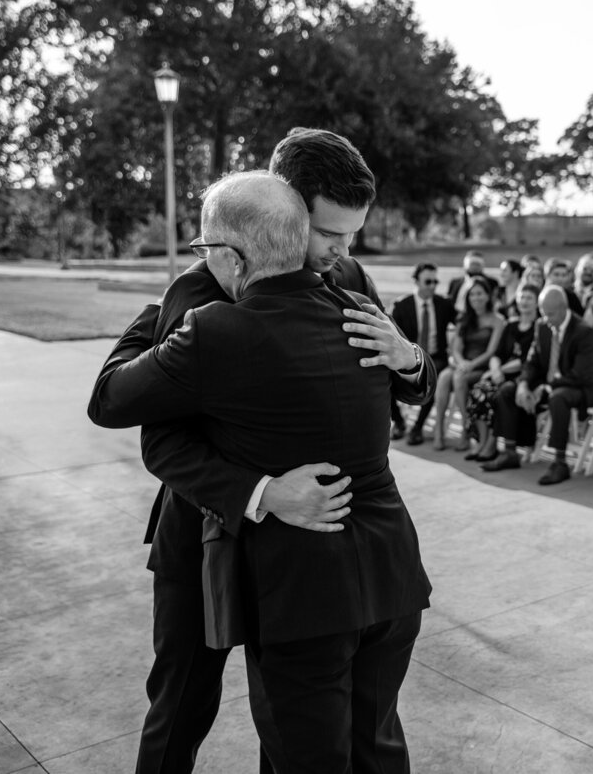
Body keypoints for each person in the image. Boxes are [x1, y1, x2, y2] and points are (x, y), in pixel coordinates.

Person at [89, 171, 434, 774]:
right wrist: (261, 493)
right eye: (329, 233)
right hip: (203, 535)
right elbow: (162, 438)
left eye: (351, 236)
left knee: (314, 736)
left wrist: (411, 359)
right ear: (292, 215)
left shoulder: (347, 286)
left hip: (303, 570)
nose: (341, 252)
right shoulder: (195, 296)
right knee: (183, 701)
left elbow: (392, 383)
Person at [481, 286, 593, 486]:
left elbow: (580, 374)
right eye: (543, 313)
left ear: (563, 309)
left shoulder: (583, 331)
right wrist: (524, 384)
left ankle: (560, 462)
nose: (547, 318)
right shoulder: (542, 325)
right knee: (508, 390)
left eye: (550, 314)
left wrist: (546, 387)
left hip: (578, 388)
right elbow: (532, 361)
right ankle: (510, 452)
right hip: (548, 383)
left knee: (558, 397)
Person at [466, 283, 541, 462]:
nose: (524, 301)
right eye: (522, 297)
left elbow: (525, 361)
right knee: (478, 391)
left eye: (529, 298)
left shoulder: (539, 327)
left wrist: (498, 371)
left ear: (537, 302)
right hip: (500, 373)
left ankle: (492, 445)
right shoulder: (511, 325)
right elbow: (496, 354)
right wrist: (494, 369)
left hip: (520, 376)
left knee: (497, 394)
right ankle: (482, 442)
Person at [431, 275, 505, 451]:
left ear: (488, 296)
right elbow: (456, 348)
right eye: (472, 294)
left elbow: (492, 351)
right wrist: (462, 362)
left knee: (458, 378)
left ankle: (466, 429)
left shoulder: (497, 320)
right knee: (443, 378)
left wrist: (471, 365)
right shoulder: (464, 319)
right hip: (462, 364)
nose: (476, 298)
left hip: (482, 367)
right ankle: (439, 430)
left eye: (480, 293)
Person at [390, 262, 458, 445]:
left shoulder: (444, 304)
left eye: (435, 281)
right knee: (382, 377)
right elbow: (392, 337)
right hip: (408, 358)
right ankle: (399, 421)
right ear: (416, 281)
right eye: (428, 281)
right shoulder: (402, 306)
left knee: (431, 376)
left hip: (436, 357)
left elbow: (464, 324)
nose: (432, 286)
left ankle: (417, 427)